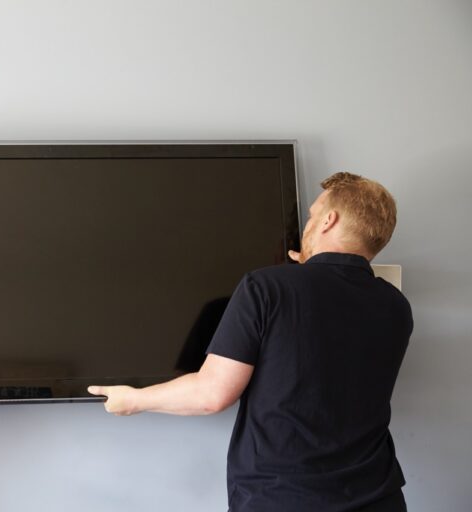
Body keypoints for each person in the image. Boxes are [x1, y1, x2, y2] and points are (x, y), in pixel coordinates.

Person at [88, 172, 412, 512]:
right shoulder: (396, 305)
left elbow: (211, 395)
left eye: (313, 216)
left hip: (283, 499)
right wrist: (307, 273)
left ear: (329, 220)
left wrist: (133, 399)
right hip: (379, 497)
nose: (308, 224)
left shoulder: (266, 286)